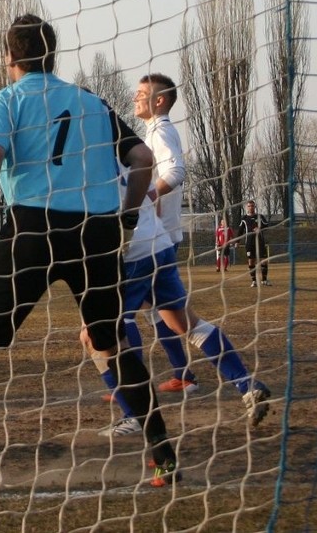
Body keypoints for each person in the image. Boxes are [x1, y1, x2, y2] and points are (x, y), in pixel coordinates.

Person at [0, 14, 179, 494]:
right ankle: (164, 460)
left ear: (9, 57)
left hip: (32, 228)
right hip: (96, 234)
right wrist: (128, 219)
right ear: (53, 55)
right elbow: (142, 160)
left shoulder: (7, 100)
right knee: (113, 344)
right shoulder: (91, 101)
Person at [91, 176, 272, 439]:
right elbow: (154, 197)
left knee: (97, 333)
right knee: (184, 323)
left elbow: (172, 172)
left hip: (131, 254)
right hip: (159, 245)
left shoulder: (92, 153)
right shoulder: (127, 149)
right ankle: (247, 385)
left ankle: (134, 415)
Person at [127, 74, 199, 395]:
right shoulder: (154, 132)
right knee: (155, 310)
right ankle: (183, 374)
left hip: (158, 236)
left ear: (159, 101)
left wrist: (147, 196)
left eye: (141, 93)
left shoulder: (161, 130)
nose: (134, 97)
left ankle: (131, 384)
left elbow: (176, 170)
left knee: (129, 310)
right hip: (160, 234)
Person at [238, 200, 271, 287]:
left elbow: (267, 225)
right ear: (247, 207)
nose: (251, 207)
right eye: (249, 206)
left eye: (252, 206)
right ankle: (254, 281)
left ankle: (264, 280)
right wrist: (237, 242)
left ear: (254, 207)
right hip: (249, 243)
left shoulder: (260, 217)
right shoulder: (244, 219)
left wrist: (259, 228)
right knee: (251, 261)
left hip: (260, 241)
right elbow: (240, 231)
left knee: (264, 260)